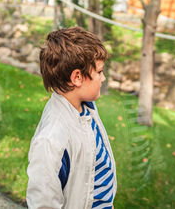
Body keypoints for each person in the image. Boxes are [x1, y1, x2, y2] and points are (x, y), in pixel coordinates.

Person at [26, 27, 117, 209]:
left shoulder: (85, 108)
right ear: (77, 77)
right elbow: (43, 203)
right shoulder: (51, 141)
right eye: (99, 72)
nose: (103, 78)